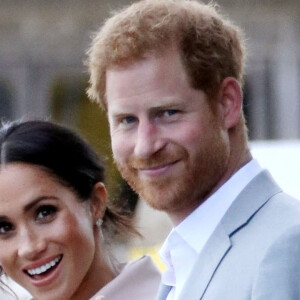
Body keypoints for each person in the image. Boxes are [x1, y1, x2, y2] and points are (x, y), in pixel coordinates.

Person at [86, 0, 300, 299]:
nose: (145, 145)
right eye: (127, 120)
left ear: (227, 103)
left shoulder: (286, 247)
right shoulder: (183, 257)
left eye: (168, 113)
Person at [0, 120, 160, 300]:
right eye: (4, 228)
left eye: (44, 212)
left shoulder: (179, 294)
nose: (28, 248)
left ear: (95, 203)